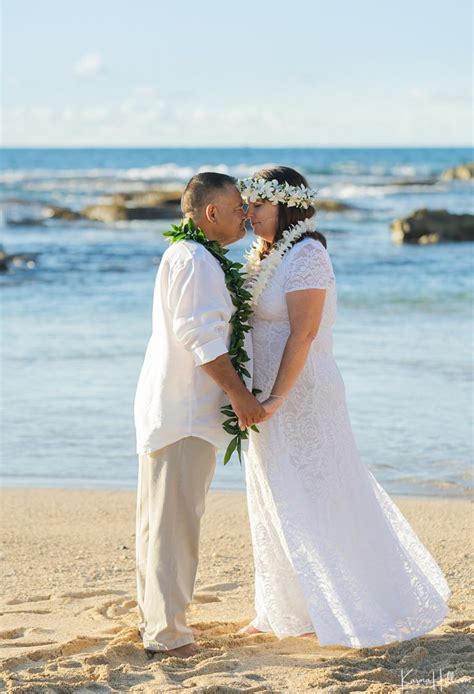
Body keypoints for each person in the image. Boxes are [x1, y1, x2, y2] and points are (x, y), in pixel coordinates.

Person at [238, 165, 452, 648]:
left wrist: (276, 396)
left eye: (258, 203)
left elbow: (305, 332)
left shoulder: (306, 254)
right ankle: (283, 607)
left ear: (285, 204)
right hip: (263, 394)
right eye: (247, 203)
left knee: (319, 490)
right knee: (274, 493)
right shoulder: (262, 254)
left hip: (301, 393)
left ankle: (345, 602)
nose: (248, 212)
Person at [134, 172, 265, 658]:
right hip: (184, 411)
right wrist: (240, 397)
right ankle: (168, 637)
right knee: (174, 525)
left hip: (170, 408)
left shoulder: (190, 255)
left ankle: (156, 622)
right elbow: (202, 337)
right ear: (211, 213)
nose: (245, 217)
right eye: (237, 209)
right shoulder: (195, 260)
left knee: (158, 522)